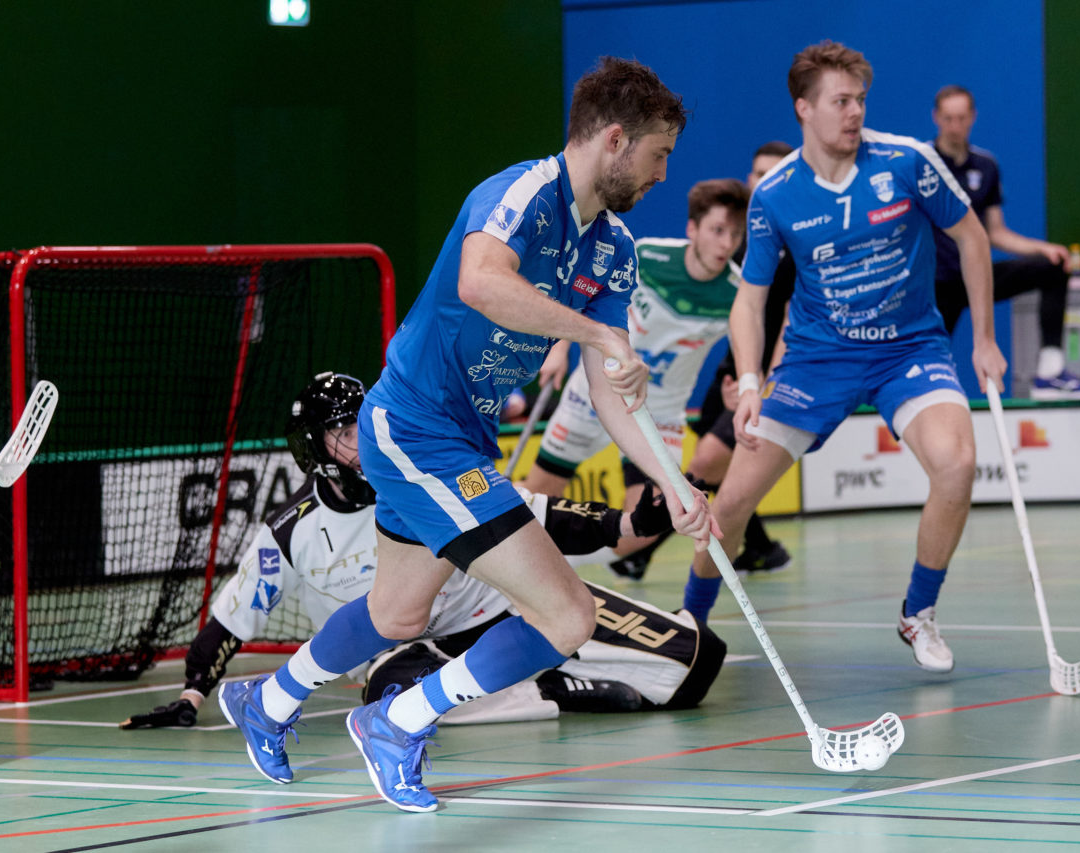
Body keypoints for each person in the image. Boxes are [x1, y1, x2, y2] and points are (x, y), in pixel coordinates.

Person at [221, 57, 716, 813]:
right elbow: (480, 282)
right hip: (414, 428)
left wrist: (674, 484)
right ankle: (397, 721)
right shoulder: (519, 195)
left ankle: (269, 701)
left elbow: (610, 396)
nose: (663, 175)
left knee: (396, 615)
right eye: (660, 154)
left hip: (459, 439)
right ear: (615, 139)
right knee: (568, 615)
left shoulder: (613, 249)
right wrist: (595, 334)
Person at [121, 374, 723, 732]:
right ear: (314, 449)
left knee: (695, 666)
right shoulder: (288, 531)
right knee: (394, 695)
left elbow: (534, 513)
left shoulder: (422, 468)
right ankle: (552, 693)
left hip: (507, 608)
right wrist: (191, 695)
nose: (360, 440)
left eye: (362, 423)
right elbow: (230, 622)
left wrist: (629, 522)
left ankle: (543, 674)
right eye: (344, 433)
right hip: (408, 653)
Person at [682, 41, 1007, 676]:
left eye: (860, 100)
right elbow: (750, 301)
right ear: (804, 109)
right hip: (816, 359)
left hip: (909, 348)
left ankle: (918, 612)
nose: (855, 112)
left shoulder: (907, 162)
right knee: (731, 505)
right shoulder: (776, 195)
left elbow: (972, 238)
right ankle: (689, 625)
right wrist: (748, 380)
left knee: (958, 464)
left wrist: (985, 339)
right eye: (840, 101)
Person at [520, 178, 748, 579]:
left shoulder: (736, 291)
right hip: (594, 393)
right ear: (692, 229)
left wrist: (745, 384)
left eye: (734, 234)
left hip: (660, 413)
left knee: (652, 518)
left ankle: (557, 570)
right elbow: (582, 295)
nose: (726, 243)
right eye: (717, 230)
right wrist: (558, 350)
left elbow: (753, 341)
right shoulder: (645, 256)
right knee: (536, 498)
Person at [930, 84, 1080, 401]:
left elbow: (995, 232)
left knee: (1052, 267)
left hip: (978, 278)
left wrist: (1043, 249)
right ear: (936, 118)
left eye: (962, 118)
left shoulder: (986, 166)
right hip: (936, 285)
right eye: (948, 118)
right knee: (927, 365)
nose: (955, 126)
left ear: (973, 117)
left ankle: (1050, 374)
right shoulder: (923, 163)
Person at [682, 141, 803, 579]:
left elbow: (789, 321)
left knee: (707, 463)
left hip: (766, 376)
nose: (763, 181)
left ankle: (641, 546)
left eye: (774, 173)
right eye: (758, 173)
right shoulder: (736, 238)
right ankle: (762, 548)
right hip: (731, 369)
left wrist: (764, 382)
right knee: (715, 459)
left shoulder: (798, 239)